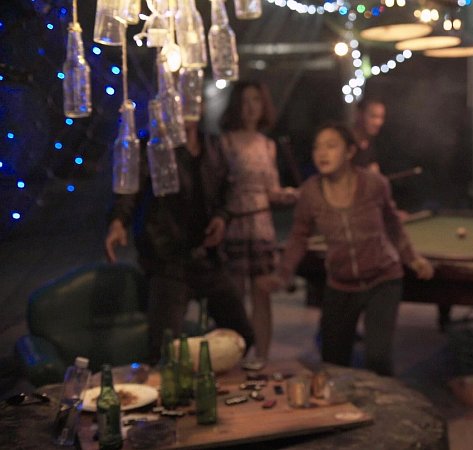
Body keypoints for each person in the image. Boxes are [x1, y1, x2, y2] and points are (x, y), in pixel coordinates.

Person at [273, 123, 434, 376]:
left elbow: (393, 225)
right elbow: (298, 237)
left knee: (378, 359)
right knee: (333, 363)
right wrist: (283, 273)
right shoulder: (310, 192)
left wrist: (412, 259)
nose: (322, 153)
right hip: (340, 285)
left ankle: (384, 400)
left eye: (331, 146)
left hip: (382, 280)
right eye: (317, 147)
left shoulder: (374, 184)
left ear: (349, 152)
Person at [105, 119, 255, 364]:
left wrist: (222, 217)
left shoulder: (212, 145)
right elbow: (129, 190)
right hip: (168, 259)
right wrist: (118, 222)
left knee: (242, 334)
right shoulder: (153, 145)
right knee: (164, 348)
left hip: (207, 256)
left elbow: (228, 189)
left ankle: (216, 377)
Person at [218, 81, 297, 370]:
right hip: (235, 224)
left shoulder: (268, 145)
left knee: (262, 293)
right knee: (235, 297)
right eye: (245, 100)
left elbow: (271, 190)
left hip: (262, 226)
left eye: (256, 100)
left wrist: (288, 195)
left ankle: (262, 359)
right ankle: (234, 358)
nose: (251, 107)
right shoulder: (225, 142)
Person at [351, 97, 386, 173]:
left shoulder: (374, 144)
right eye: (373, 116)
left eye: (381, 117)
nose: (378, 122)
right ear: (359, 115)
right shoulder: (345, 142)